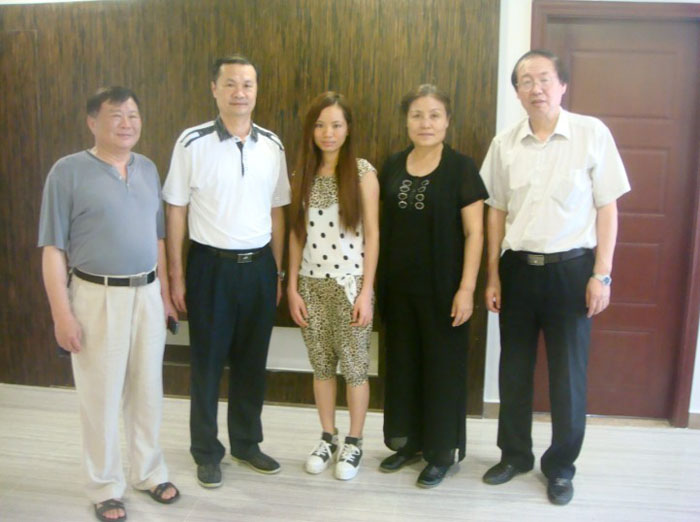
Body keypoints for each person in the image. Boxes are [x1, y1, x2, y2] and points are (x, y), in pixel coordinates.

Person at [480, 49, 630, 505]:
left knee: (568, 376)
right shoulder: (504, 144)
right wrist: (492, 275)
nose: (536, 88)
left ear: (562, 85)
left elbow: (608, 207)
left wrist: (602, 275)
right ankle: (514, 455)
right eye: (525, 81)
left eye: (544, 78)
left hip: (572, 271)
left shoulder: (591, 134)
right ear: (517, 92)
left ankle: (561, 467)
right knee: (514, 369)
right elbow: (496, 211)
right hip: (517, 270)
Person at [38, 86, 179, 522]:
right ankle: (104, 486)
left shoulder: (148, 168)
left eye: (133, 115)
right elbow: (53, 248)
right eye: (116, 115)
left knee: (147, 390)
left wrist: (165, 295)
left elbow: (157, 237)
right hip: (95, 297)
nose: (126, 123)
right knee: (99, 396)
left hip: (147, 294)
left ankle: (148, 472)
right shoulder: (67, 172)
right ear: (92, 122)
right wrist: (62, 314)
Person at [163, 54, 290, 488]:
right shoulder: (191, 142)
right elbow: (176, 209)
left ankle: (246, 443)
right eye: (231, 83)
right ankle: (206, 451)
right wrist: (177, 276)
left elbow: (278, 210)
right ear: (214, 89)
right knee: (207, 364)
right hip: (210, 268)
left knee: (253, 362)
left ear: (257, 91)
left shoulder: (272, 144)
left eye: (248, 84)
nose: (240, 92)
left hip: (259, 269)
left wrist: (277, 273)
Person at [376, 84, 488, 488]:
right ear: (406, 121)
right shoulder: (392, 165)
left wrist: (467, 288)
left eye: (434, 115)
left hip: (444, 292)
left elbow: (475, 233)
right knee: (403, 366)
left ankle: (440, 453)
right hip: (397, 290)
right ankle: (409, 443)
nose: (426, 123)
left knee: (442, 371)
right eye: (417, 115)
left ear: (447, 121)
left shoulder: (461, 168)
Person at [287, 92, 380, 480]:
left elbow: (373, 235)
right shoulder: (302, 174)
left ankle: (354, 442)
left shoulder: (362, 173)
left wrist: (366, 292)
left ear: (348, 129)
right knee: (322, 366)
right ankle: (328, 437)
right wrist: (292, 287)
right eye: (320, 125)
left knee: (355, 368)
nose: (328, 133)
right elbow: (296, 235)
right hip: (311, 286)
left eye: (336, 125)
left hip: (349, 286)